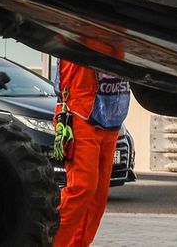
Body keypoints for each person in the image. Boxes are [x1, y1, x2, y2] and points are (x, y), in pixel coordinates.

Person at [53, 60, 131, 247]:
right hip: (81, 114)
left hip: (110, 118)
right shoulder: (86, 34)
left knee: (98, 195)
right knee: (82, 188)